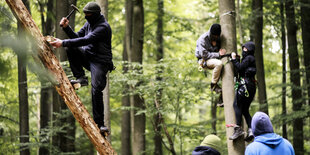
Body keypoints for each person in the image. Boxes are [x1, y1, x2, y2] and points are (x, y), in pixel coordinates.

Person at [50, 2, 114, 135]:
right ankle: (81, 78)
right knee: (70, 46)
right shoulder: (89, 23)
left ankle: (100, 124)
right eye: (84, 14)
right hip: (88, 57)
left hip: (101, 63)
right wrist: (67, 28)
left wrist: (62, 43)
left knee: (96, 90)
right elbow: (77, 38)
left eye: (88, 15)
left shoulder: (103, 27)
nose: (86, 17)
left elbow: (86, 40)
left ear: (95, 15)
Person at [229, 41, 256, 141]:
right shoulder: (251, 59)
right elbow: (243, 68)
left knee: (236, 105)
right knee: (244, 110)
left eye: (245, 49)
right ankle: (251, 129)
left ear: (249, 50)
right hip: (251, 87)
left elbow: (240, 68)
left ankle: (238, 129)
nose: (243, 50)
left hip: (245, 86)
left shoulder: (249, 58)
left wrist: (233, 59)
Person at [195, 24, 226, 93]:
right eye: (214, 36)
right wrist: (218, 54)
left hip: (213, 58)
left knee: (224, 68)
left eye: (217, 36)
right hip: (203, 60)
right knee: (219, 64)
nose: (216, 37)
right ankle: (213, 85)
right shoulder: (203, 39)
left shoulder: (218, 38)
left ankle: (221, 96)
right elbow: (204, 55)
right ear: (211, 33)